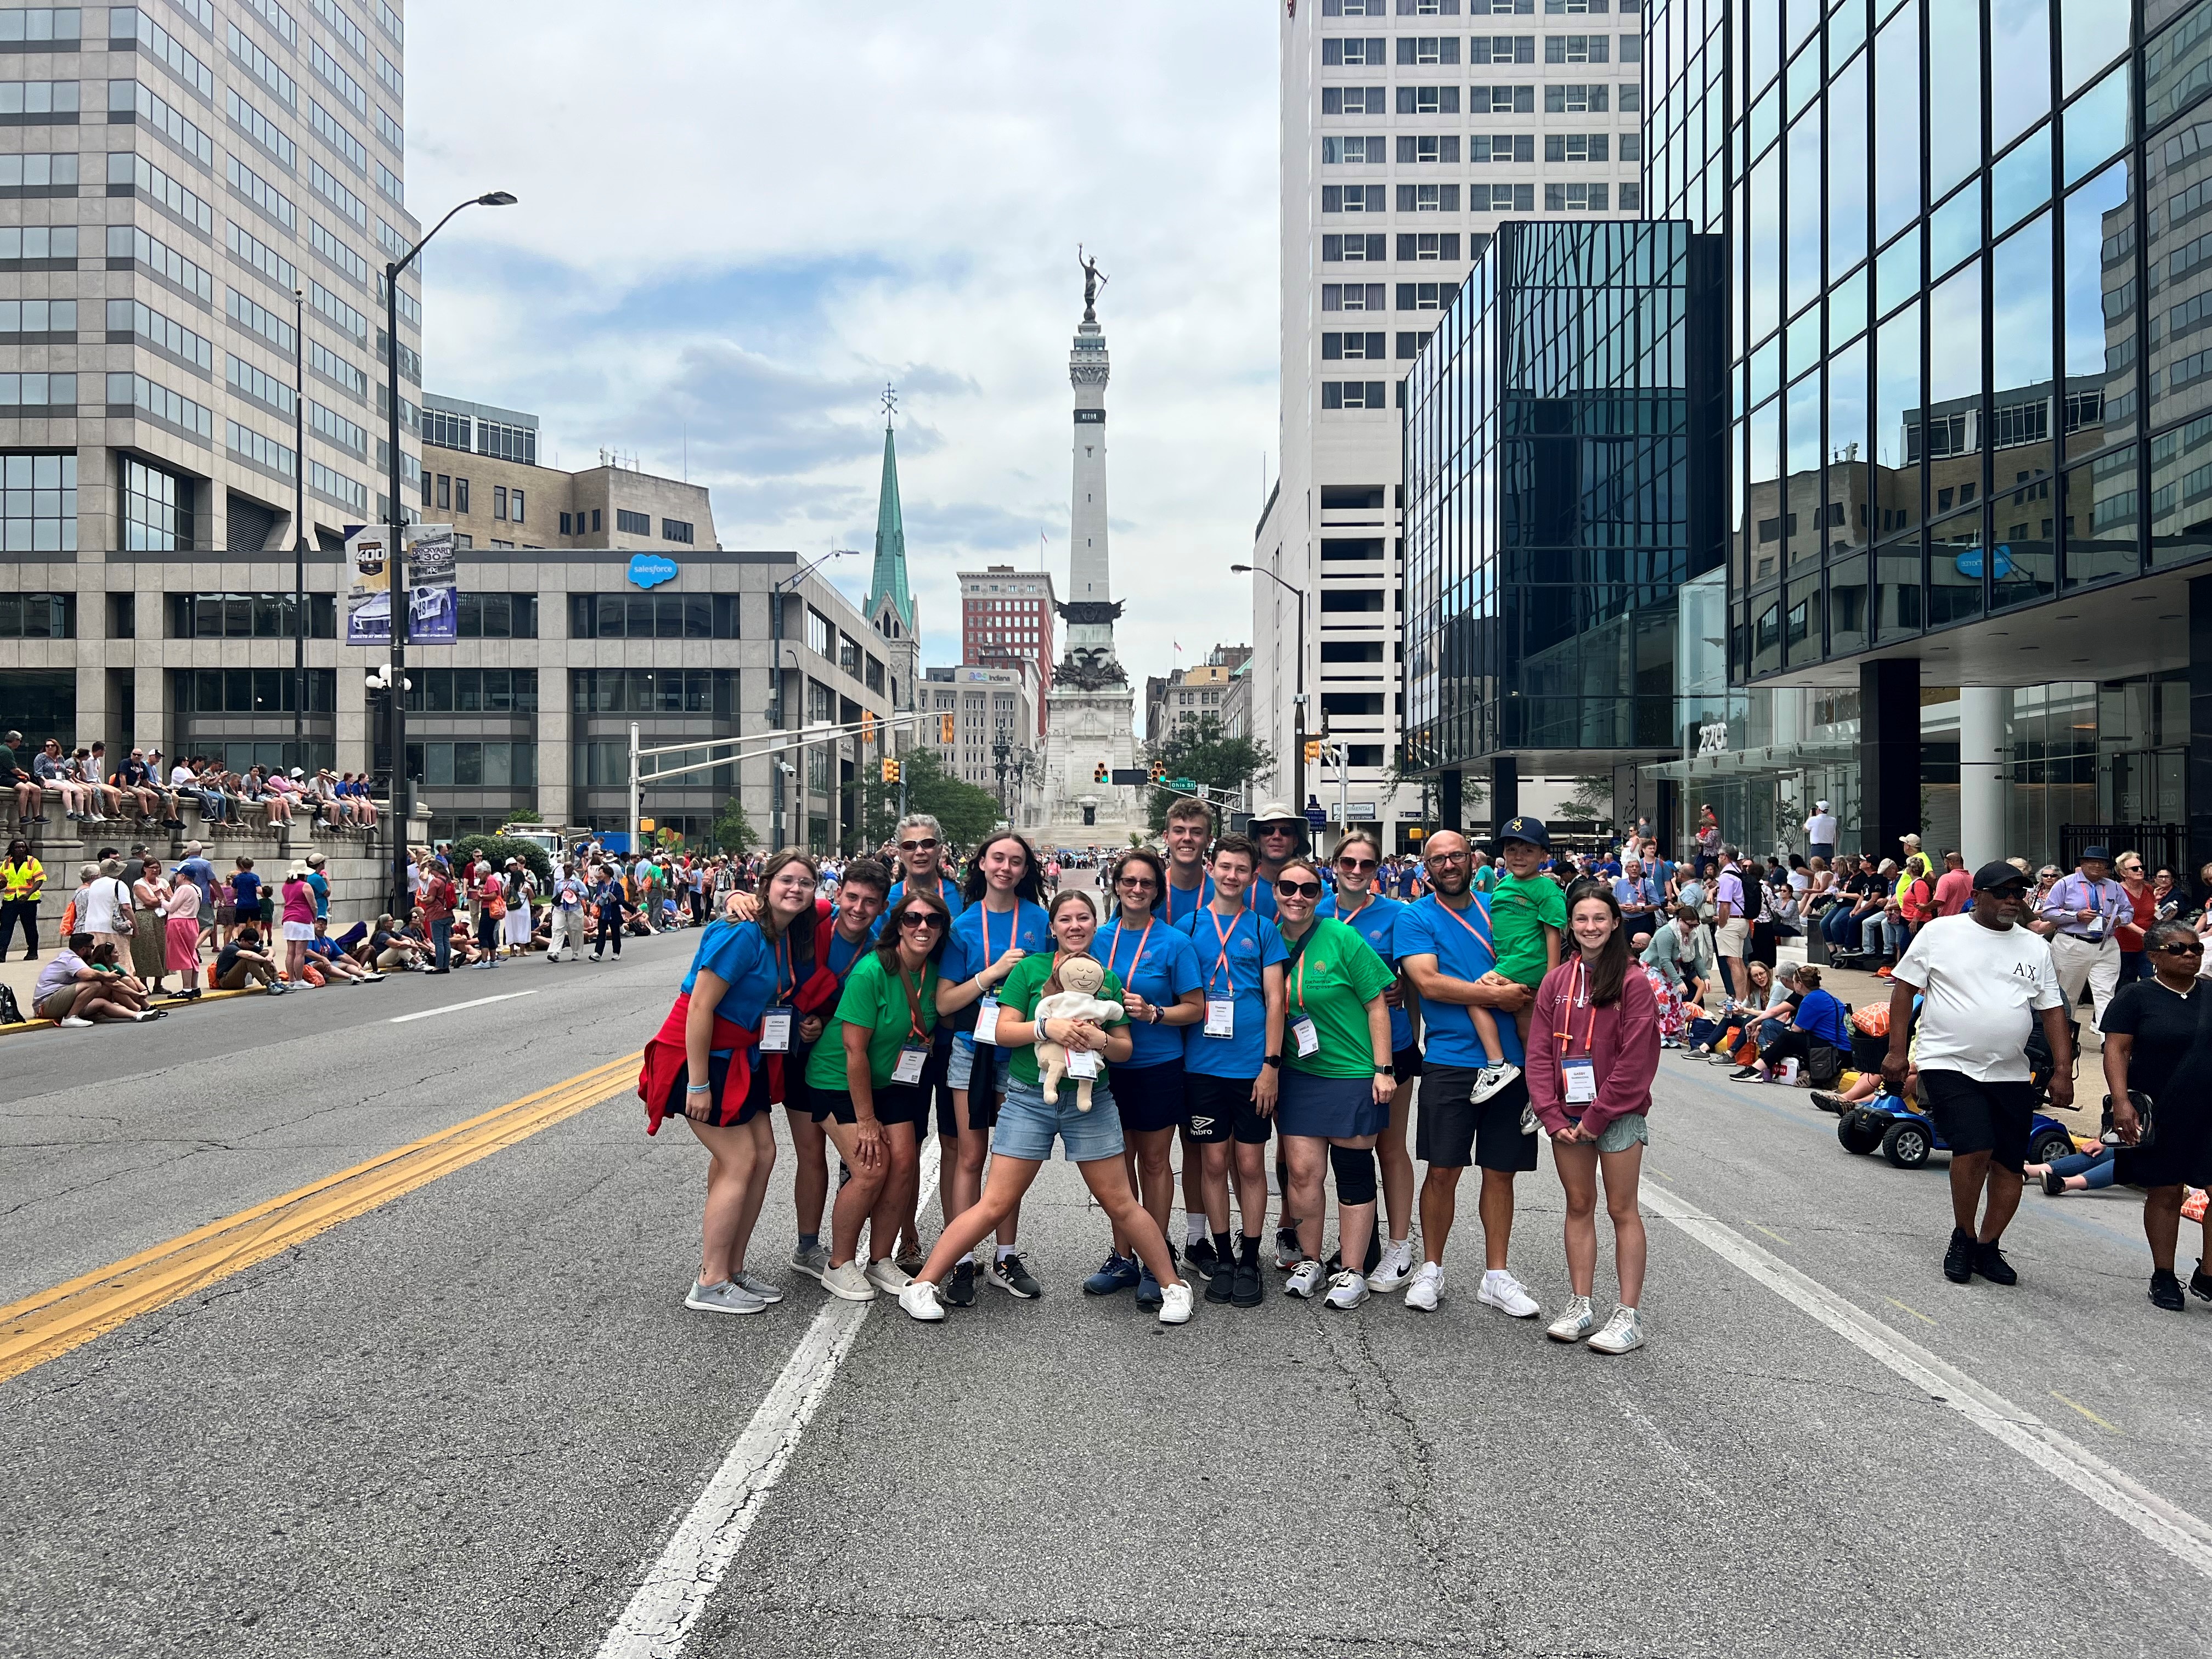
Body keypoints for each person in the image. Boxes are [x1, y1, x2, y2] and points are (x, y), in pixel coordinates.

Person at [899, 888, 1194, 1327]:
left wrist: (1104, 1041)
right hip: (1029, 1098)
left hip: (1091, 1100)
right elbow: (1002, 1031)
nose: (1075, 926)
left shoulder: (1107, 978)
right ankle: (921, 1284)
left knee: (1120, 1201)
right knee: (996, 1202)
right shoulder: (1031, 970)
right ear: (1052, 928)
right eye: (1066, 919)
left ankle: (1173, 1285)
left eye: (1084, 918)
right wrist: (1045, 1026)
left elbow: (1125, 1051)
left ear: (1096, 925)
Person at [639, 849, 823, 1318]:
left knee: (763, 1156)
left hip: (742, 1057)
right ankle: (710, 1281)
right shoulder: (740, 932)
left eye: (805, 882)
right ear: (767, 882)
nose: (796, 889)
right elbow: (699, 1007)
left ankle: (731, 1268)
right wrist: (697, 1084)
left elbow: (852, 907)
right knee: (739, 1159)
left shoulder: (784, 931)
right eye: (787, 880)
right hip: (700, 1059)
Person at [1884, 862, 2073, 1288]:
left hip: (2010, 1070)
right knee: (1974, 1146)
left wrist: (2063, 1070)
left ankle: (1988, 1246)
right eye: (2003, 892)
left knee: (2009, 1162)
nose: (2012, 900)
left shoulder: (2034, 946)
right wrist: (1897, 1052)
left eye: (2019, 893)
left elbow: (2052, 1010)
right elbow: (1903, 989)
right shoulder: (1940, 933)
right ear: (1978, 894)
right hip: (1948, 1061)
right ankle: (1963, 1236)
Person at [1396, 830, 1543, 1318]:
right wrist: (1495, 997)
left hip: (1511, 1063)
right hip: (1450, 1061)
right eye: (1438, 859)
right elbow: (1429, 983)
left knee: (1501, 1173)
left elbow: (1534, 956)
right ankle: (1431, 1268)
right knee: (1442, 1171)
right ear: (1426, 867)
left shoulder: (1500, 907)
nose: (1449, 864)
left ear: (1471, 859)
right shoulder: (1415, 916)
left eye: (1456, 855)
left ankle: (1496, 1275)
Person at [1526, 885, 1659, 1353]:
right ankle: (1580, 1304)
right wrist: (1549, 1111)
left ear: (1616, 922)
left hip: (1616, 1115)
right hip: (1565, 1117)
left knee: (1622, 1209)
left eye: (1600, 918)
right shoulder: (1556, 981)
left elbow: (1636, 1062)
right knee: (1578, 1205)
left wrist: (1599, 1115)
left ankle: (1628, 1315)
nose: (1590, 927)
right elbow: (1539, 1051)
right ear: (1570, 926)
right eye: (1581, 919)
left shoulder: (1634, 982)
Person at [923, 830, 1054, 1302]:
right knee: (971, 1157)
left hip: (1021, 1051)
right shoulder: (960, 925)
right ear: (980, 863)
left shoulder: (1040, 921)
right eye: (997, 858)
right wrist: (994, 973)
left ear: (1025, 870)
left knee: (1009, 1160)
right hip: (972, 1050)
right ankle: (961, 1260)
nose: (1006, 867)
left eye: (1016, 861)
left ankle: (1005, 1256)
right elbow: (944, 1003)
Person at [803, 879, 946, 1301]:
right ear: (898, 925)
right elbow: (853, 1051)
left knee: (904, 1163)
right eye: (913, 919)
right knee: (870, 1168)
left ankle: (880, 1259)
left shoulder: (936, 972)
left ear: (942, 928)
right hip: (838, 1079)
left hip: (893, 1079)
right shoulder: (873, 970)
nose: (923, 926)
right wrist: (866, 1121)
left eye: (933, 920)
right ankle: (839, 1263)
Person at [1271, 856, 1397, 1309]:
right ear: (1276, 891)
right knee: (1303, 1173)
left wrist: (1383, 1070)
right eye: (1288, 888)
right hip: (1300, 1074)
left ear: (1319, 895)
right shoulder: (1270, 939)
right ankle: (1310, 1259)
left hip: (1352, 1073)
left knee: (1352, 1172)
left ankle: (1353, 1269)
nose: (1297, 897)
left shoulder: (1341, 936)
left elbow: (1377, 1005)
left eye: (1307, 890)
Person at [1084, 848, 1204, 1307]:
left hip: (1157, 1065)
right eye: (1129, 882)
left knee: (1154, 1163)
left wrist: (1155, 1012)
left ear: (1158, 891)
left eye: (1147, 884)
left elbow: (1195, 1008)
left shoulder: (1174, 942)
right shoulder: (1098, 938)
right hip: (1106, 1067)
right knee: (1118, 1166)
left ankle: (1159, 1260)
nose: (1137, 890)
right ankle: (1122, 1256)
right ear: (1116, 885)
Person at [1174, 833, 1287, 1310]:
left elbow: (1277, 999)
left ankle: (1250, 1257)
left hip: (1251, 1067)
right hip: (1201, 1067)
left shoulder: (1263, 929)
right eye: (1225, 866)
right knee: (1213, 1163)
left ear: (1253, 874)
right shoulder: (1190, 924)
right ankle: (1221, 1254)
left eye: (1242, 869)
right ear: (1211, 868)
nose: (1232, 875)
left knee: (1248, 1164)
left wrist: (1271, 1066)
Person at [1317, 831, 1423, 1290]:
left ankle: (1400, 1246)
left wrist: (1406, 992)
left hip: (1389, 1049)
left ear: (1378, 870)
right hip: (1331, 1052)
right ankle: (1359, 1243)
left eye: (1367, 864)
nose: (1357, 871)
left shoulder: (1398, 914)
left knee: (1389, 1146)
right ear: (1334, 865)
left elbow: (1419, 976)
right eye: (1349, 863)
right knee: (1336, 1151)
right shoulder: (1314, 909)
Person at [778, 859, 889, 1283]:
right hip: (796, 1054)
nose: (859, 909)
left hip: (847, 1064)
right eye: (853, 897)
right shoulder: (810, 927)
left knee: (857, 1160)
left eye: (870, 902)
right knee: (811, 1156)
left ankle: (852, 1249)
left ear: (881, 907)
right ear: (838, 893)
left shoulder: (879, 948)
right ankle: (808, 1247)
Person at [2093, 919, 2212, 1311]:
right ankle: (2164, 1275)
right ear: (2155, 956)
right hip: (2162, 1110)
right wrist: (2121, 1101)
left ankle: (2208, 1274)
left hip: (2209, 1111)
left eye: (2195, 948)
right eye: (2179, 949)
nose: (2190, 955)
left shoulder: (2211, 993)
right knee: (2165, 1191)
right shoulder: (2135, 997)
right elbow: (2117, 1051)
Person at [1468, 816, 1565, 1096]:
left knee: (1474, 995)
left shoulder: (1547, 889)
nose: (1519, 856)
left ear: (1544, 856)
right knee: (1529, 1038)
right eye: (1512, 849)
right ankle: (1541, 1096)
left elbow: (1553, 935)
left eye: (1528, 850)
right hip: (1510, 966)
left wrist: (1551, 980)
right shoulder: (1502, 885)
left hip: (1525, 967)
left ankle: (1497, 1065)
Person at [2038, 845, 2126, 1029]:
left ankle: (2107, 1040)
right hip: (2073, 943)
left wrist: (2119, 919)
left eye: (2101, 863)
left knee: (2106, 994)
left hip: (2105, 944)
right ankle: (2065, 1037)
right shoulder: (2065, 884)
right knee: (2069, 994)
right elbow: (2049, 913)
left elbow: (2128, 911)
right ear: (2082, 864)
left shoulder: (2114, 887)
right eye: (2092, 862)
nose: (2097, 866)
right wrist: (2076, 916)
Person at [1742, 963, 1850, 1084]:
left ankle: (1755, 1070)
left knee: (1787, 1038)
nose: (1793, 985)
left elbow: (1796, 1029)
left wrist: (1778, 1042)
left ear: (1799, 984)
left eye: (1794, 982)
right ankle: (1804, 1073)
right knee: (1785, 1038)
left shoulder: (1810, 999)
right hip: (1838, 1048)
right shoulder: (1822, 995)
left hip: (1837, 1052)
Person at [35, 933, 161, 1025]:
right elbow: (88, 976)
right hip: (46, 1004)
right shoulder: (71, 960)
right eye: (91, 947)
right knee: (94, 984)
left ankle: (138, 1015)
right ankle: (70, 1018)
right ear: (83, 949)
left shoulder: (77, 959)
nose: (93, 950)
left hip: (58, 1003)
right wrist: (107, 976)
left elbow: (122, 979)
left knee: (102, 1002)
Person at [1639, 903, 1713, 1046]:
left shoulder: (1692, 935)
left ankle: (1672, 1034)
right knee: (1662, 1000)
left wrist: (1705, 977)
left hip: (1671, 969)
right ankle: (1659, 1033)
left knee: (1675, 1001)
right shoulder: (1666, 933)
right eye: (1690, 925)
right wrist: (1679, 982)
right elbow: (1664, 960)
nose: (1693, 929)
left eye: (1696, 925)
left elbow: (1697, 957)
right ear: (1680, 921)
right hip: (1654, 968)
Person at [128, 856, 172, 996]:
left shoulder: (164, 882)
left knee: (161, 949)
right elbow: (147, 901)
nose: (155, 870)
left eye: (157, 867)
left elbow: (173, 899)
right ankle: (144, 985)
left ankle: (158, 984)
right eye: (151, 867)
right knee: (145, 950)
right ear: (145, 869)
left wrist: (158, 899)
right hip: (145, 918)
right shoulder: (139, 884)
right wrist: (163, 898)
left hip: (161, 919)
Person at [1711, 848, 1750, 998]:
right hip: (1741, 921)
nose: (1718, 859)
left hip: (1731, 922)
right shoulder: (1738, 872)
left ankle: (1740, 1000)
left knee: (1733, 963)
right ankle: (1746, 997)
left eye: (1719, 856)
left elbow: (1725, 904)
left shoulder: (1727, 876)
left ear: (1724, 856)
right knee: (1739, 962)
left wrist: (1721, 924)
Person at [2113, 850, 2155, 985]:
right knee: (2125, 983)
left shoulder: (2149, 889)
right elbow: (2120, 918)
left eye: (2142, 867)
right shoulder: (2117, 890)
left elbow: (2152, 914)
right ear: (2124, 873)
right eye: (2135, 868)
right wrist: (2142, 932)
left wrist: (2165, 915)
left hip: (2146, 945)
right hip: (2124, 946)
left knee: (2150, 980)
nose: (2140, 871)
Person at [2, 836, 44, 962]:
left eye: (23, 847)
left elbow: (40, 880)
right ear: (12, 850)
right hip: (11, 900)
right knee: (5, 927)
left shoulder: (33, 862)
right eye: (18, 847)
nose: (21, 849)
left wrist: (28, 894)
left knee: (30, 927)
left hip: (29, 901)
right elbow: (3, 881)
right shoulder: (7, 863)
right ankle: (1, 954)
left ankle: (32, 953)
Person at [215, 925, 289, 993]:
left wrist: (269, 956)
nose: (252, 946)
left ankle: (277, 982)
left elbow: (270, 950)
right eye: (251, 944)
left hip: (242, 979)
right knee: (248, 959)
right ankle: (269, 984)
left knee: (265, 953)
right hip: (226, 981)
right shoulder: (231, 948)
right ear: (243, 940)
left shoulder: (249, 946)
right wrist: (265, 960)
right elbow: (249, 955)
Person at [1612, 856, 1662, 949]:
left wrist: (1639, 909)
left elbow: (1656, 905)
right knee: (1623, 950)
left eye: (1637, 867)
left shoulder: (1647, 884)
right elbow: (1612, 903)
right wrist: (1621, 907)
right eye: (1631, 867)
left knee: (1641, 951)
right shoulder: (1620, 884)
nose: (1634, 869)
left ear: (1640, 870)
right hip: (1624, 924)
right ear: (1626, 870)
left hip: (1641, 922)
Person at [278, 865, 317, 985]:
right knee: (300, 952)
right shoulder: (305, 886)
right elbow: (313, 905)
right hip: (302, 919)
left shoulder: (286, 885)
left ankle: (291, 980)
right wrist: (315, 917)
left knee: (291, 952)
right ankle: (299, 980)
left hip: (288, 918)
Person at [589, 861, 630, 961]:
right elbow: (597, 895)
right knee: (601, 933)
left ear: (607, 874)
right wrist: (596, 902)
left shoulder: (616, 885)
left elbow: (621, 898)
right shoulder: (600, 884)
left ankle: (616, 952)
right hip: (603, 912)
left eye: (601, 873)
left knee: (615, 933)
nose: (599, 875)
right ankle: (598, 953)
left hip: (613, 911)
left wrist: (615, 899)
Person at [0, 729, 42, 825]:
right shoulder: (5, 751)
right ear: (15, 740)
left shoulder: (8, 750)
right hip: (3, 777)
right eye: (20, 741)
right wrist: (24, 774)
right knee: (25, 789)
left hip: (10, 776)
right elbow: (14, 770)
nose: (20, 743)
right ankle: (23, 817)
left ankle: (37, 816)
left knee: (36, 789)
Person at [501, 858, 537, 958]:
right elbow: (532, 896)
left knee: (511, 929)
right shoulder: (526, 885)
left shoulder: (508, 886)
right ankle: (522, 950)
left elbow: (504, 898)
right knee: (523, 928)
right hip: (523, 910)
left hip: (511, 911)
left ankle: (512, 951)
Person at [1803, 799, 1838, 866]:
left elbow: (1805, 829)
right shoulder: (1833, 820)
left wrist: (1810, 816)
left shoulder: (1813, 820)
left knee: (1816, 868)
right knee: (1827, 867)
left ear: (1819, 810)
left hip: (1817, 848)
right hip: (1828, 848)